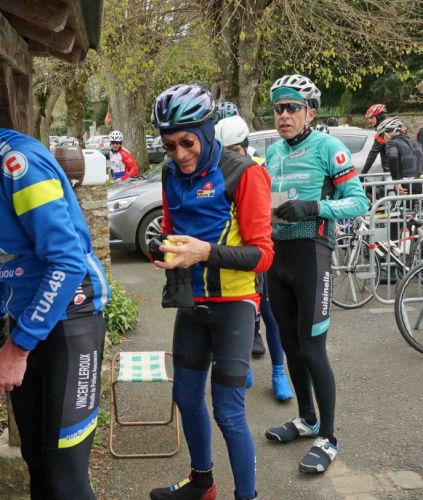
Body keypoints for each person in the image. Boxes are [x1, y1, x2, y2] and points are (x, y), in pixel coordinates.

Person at [0, 50, 111, 499]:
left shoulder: (17, 163)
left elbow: (67, 261)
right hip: (28, 324)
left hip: (72, 318)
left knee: (65, 477)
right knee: (37, 463)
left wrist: (16, 347)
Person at [148, 84, 273, 500]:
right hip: (192, 303)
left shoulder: (243, 173)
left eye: (188, 142)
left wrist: (204, 252)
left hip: (235, 305)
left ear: (206, 132)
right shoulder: (170, 174)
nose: (180, 154)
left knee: (228, 411)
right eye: (170, 146)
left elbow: (263, 256)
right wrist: (161, 248)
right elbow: (170, 229)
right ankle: (202, 482)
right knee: (185, 396)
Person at [264, 74, 368, 474]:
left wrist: (313, 207)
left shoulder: (329, 148)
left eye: (292, 108)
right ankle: (306, 418)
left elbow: (358, 202)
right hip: (278, 256)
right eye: (278, 108)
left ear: (310, 112)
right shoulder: (273, 152)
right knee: (290, 344)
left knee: (312, 349)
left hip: (313, 254)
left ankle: (328, 436)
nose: (284, 115)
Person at [215, 115, 294, 401]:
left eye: (235, 151)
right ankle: (244, 365)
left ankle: (278, 372)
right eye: (225, 152)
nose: (231, 158)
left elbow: (275, 212)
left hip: (261, 252)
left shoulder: (259, 167)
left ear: (245, 147)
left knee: (271, 315)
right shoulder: (215, 171)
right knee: (244, 315)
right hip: (235, 257)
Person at [377, 117, 423, 195]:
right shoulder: (415, 142)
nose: (382, 140)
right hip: (419, 184)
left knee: (397, 203)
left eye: (382, 136)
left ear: (389, 132)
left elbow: (393, 157)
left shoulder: (392, 143)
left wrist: (396, 182)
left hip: (404, 186)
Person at [362, 103, 388, 174]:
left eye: (371, 117)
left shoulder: (382, 132)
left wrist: (363, 173)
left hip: (391, 173)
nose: (369, 121)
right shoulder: (393, 128)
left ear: (379, 117)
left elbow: (373, 154)